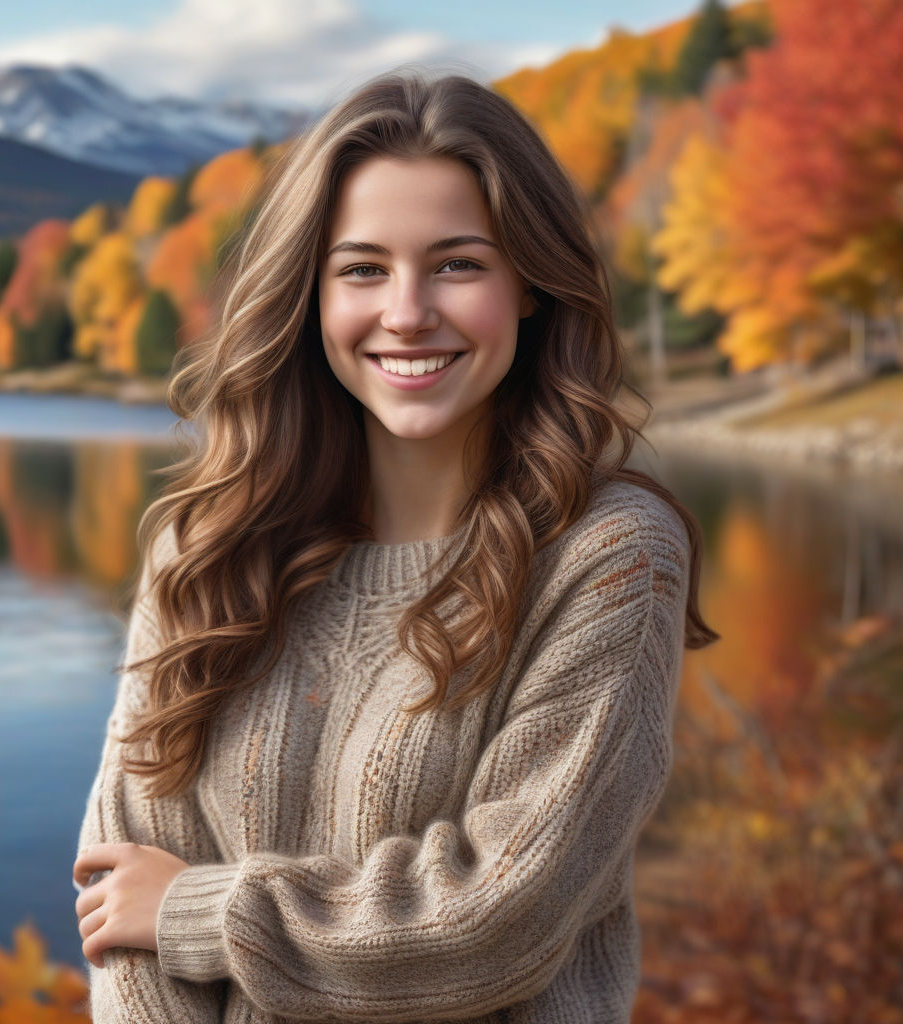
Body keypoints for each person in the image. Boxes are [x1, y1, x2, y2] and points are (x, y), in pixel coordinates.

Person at [72, 70, 717, 1023]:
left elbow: (501, 918)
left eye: (457, 265)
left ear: (530, 286)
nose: (407, 312)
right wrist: (162, 914)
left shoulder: (608, 556)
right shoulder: (205, 546)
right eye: (363, 269)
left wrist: (201, 911)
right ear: (309, 293)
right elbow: (121, 897)